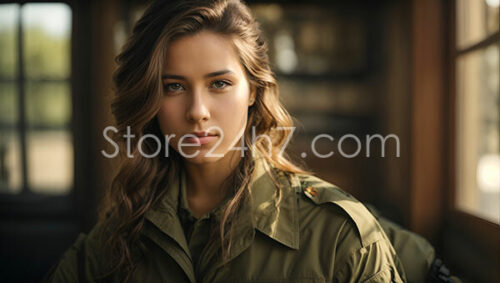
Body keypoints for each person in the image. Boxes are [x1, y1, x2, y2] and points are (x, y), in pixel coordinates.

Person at [44, 0, 409, 282]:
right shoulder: (114, 239)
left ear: (253, 90)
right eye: (173, 87)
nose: (197, 111)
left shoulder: (340, 238)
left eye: (219, 83)